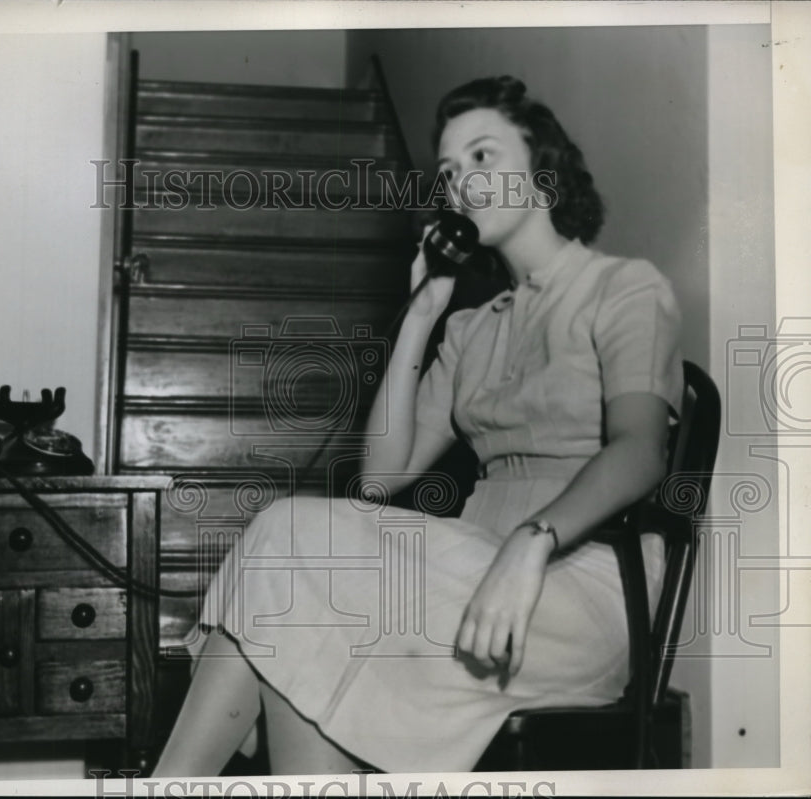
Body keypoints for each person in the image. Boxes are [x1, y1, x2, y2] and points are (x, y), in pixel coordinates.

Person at [152, 75, 683, 776]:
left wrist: (532, 541)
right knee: (294, 582)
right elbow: (381, 476)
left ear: (543, 171)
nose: (461, 181)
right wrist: (424, 313)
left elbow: (641, 450)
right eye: (450, 170)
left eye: (483, 157)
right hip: (471, 561)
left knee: (292, 546)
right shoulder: (473, 328)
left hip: (579, 584)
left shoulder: (624, 287)